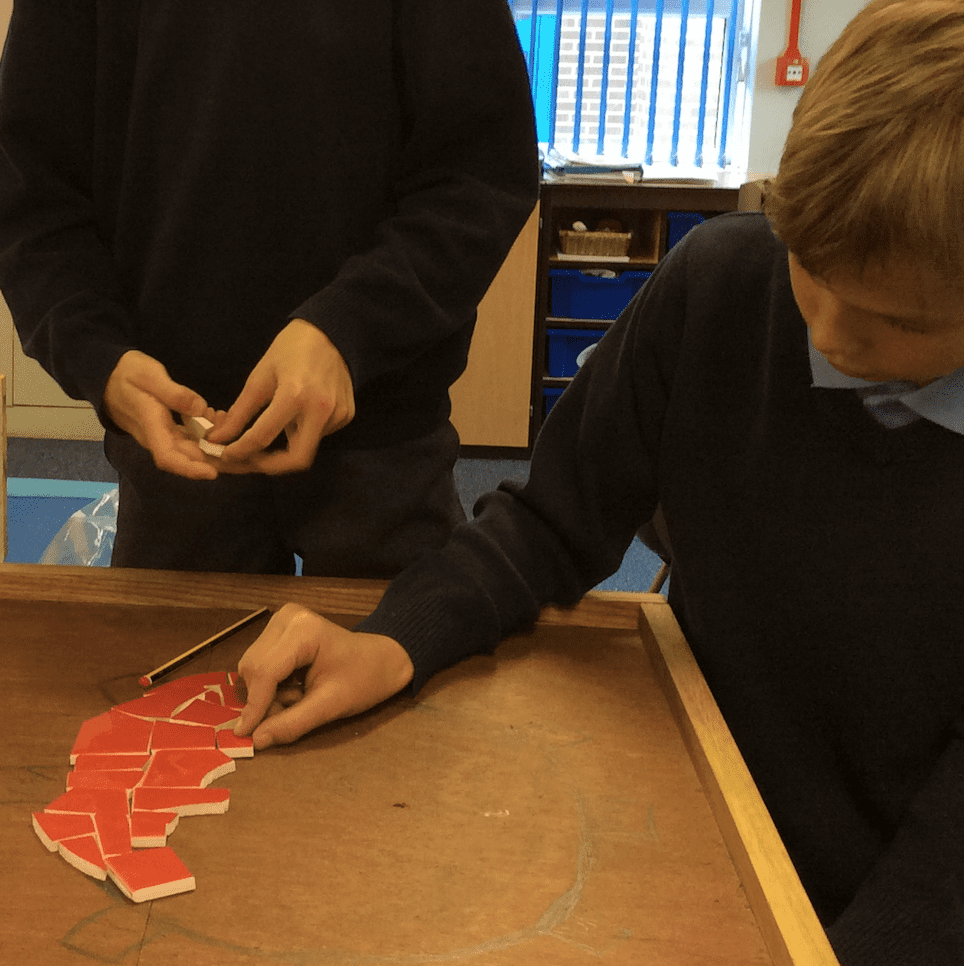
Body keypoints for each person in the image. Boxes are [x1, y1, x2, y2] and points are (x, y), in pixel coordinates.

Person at [235, 0, 964, 962]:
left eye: (897, 323)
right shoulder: (722, 282)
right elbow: (548, 521)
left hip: (888, 899)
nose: (825, 335)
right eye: (808, 268)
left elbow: (944, 862)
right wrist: (396, 637)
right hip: (690, 808)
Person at [0, 1, 539, 576]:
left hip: (385, 438)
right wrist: (96, 355)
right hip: (179, 440)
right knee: (175, 635)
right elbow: (29, 186)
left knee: (405, 629)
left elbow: (481, 170)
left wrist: (350, 328)